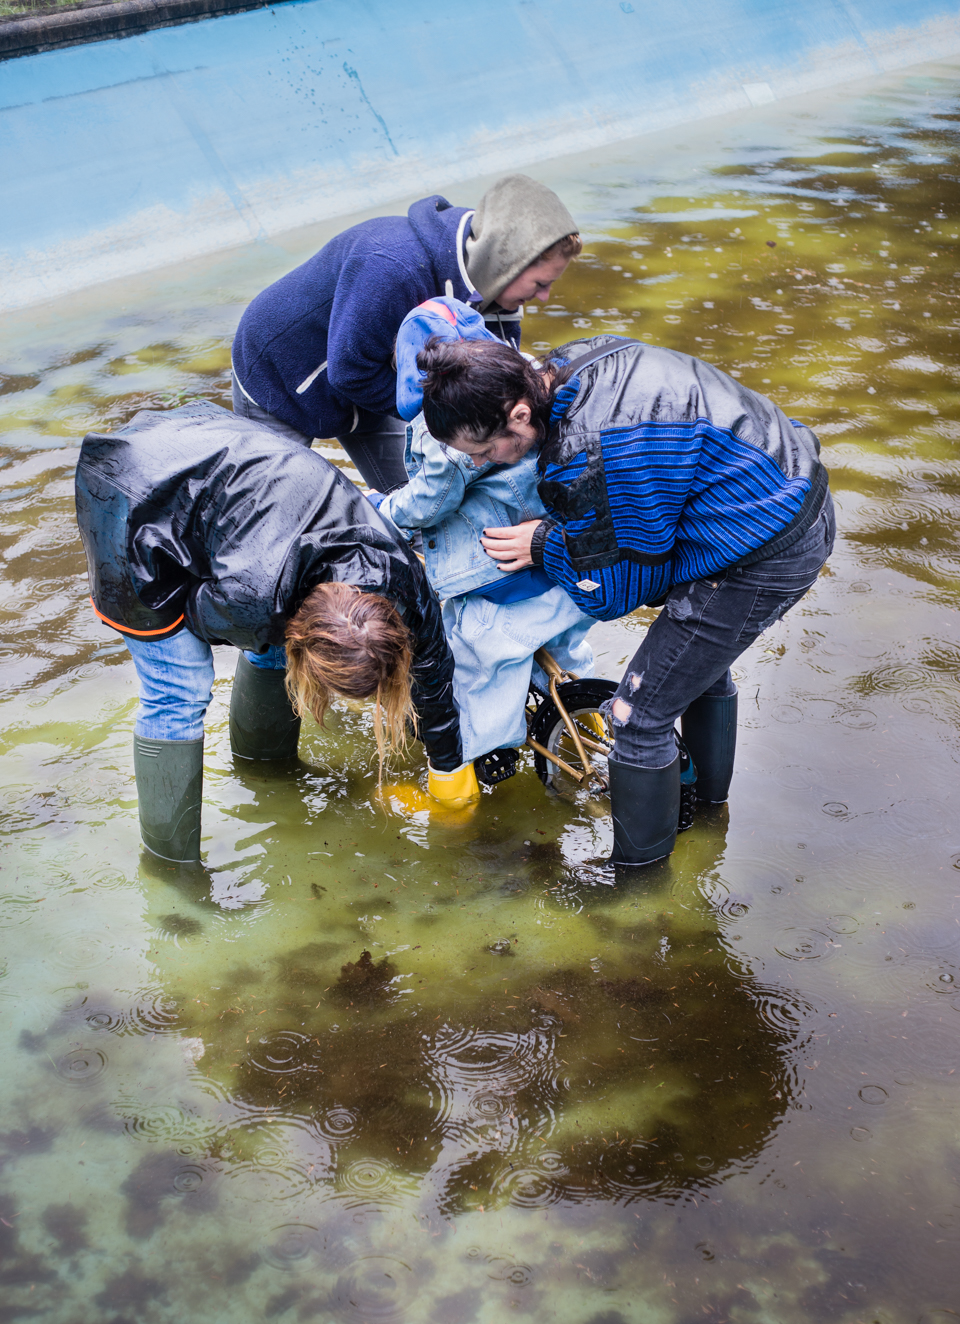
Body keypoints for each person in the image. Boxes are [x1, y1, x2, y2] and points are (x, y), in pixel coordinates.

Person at [414, 334, 835, 866]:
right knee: (698, 673)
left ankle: (639, 890)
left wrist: (545, 544)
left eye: (483, 451)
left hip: (764, 548)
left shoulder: (586, 452)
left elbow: (616, 594)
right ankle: (711, 817)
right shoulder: (573, 363)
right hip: (793, 488)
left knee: (638, 717)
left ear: (519, 415)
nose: (481, 463)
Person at [74, 400, 469, 867]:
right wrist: (229, 590)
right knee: (178, 688)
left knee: (270, 645)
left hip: (211, 447)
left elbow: (433, 669)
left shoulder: (402, 576)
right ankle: (169, 865)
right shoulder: (251, 600)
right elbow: (200, 615)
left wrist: (449, 769)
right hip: (126, 484)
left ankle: (264, 770)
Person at [371, 299, 594, 802]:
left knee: (475, 674)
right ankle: (589, 724)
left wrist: (381, 511)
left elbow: (432, 498)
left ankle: (457, 797)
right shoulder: (516, 392)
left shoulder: (454, 426)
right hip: (558, 568)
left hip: (497, 581)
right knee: (566, 658)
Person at [230, 174, 581, 492]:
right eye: (540, 283)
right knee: (275, 504)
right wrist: (452, 418)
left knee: (413, 492)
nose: (545, 296)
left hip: (379, 377)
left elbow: (506, 380)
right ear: (506, 264)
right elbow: (350, 372)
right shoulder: (393, 268)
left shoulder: (495, 291)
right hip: (282, 375)